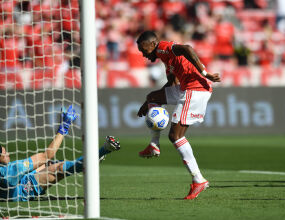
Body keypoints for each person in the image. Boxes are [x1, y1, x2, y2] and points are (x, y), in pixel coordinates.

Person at [136, 31, 221, 200]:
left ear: (152, 44)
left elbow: (187, 48)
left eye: (143, 49)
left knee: (175, 135)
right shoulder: (165, 58)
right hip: (186, 88)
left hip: (195, 89)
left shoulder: (164, 48)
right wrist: (150, 102)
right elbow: (172, 83)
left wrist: (205, 73)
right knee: (152, 97)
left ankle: (198, 180)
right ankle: (153, 144)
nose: (143, 54)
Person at [0, 105, 120, 202]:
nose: (8, 154)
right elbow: (48, 154)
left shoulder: (8, 170)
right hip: (24, 189)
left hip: (19, 180)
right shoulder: (11, 170)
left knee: (50, 164)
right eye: (5, 153)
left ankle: (90, 160)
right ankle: (104, 149)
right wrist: (64, 126)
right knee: (58, 168)